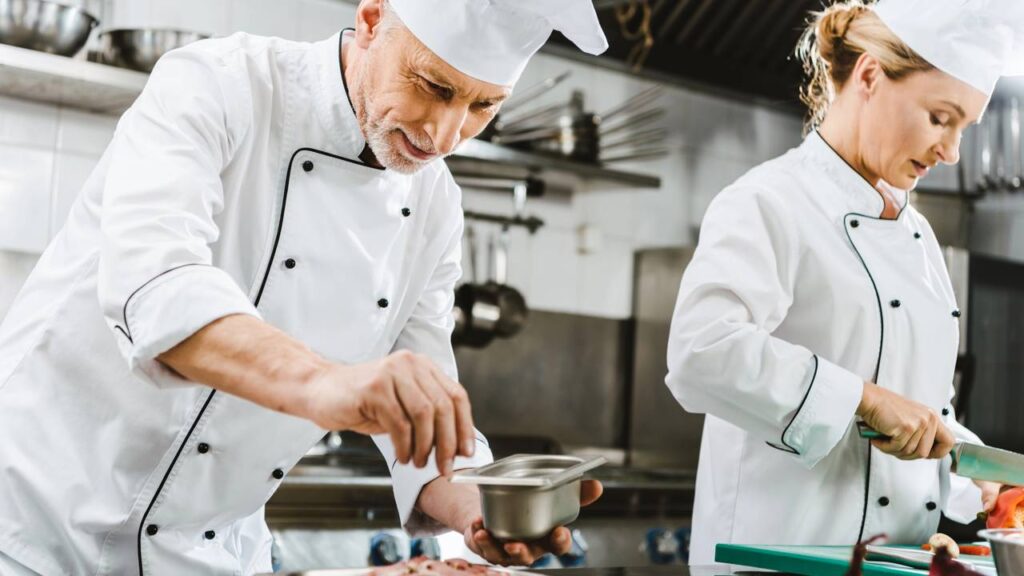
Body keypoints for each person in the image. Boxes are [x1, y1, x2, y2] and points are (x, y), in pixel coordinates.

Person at [0, 1, 607, 573]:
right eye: (434, 86)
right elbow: (157, 288)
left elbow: (422, 404)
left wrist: (481, 508)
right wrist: (332, 384)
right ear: (372, 18)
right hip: (33, 527)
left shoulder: (435, 206)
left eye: (483, 106)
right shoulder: (217, 84)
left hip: (211, 557)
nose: (446, 137)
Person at [665, 0, 1024, 565]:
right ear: (870, 76)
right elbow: (700, 352)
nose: (952, 152)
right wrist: (863, 399)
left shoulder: (922, 241)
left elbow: (926, 413)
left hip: (901, 562)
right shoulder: (770, 201)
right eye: (939, 117)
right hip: (777, 561)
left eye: (964, 128)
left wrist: (982, 478)